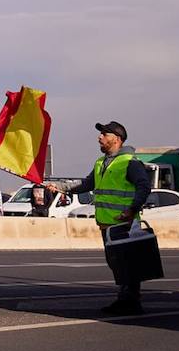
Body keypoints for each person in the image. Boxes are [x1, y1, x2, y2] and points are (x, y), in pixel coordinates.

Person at [47, 121, 152, 314]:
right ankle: (126, 300)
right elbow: (87, 184)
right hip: (106, 223)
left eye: (104, 134)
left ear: (117, 139)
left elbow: (144, 187)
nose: (100, 137)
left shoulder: (130, 162)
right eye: (101, 134)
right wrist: (60, 187)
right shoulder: (100, 162)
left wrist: (132, 209)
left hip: (123, 222)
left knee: (126, 263)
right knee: (117, 263)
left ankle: (130, 302)